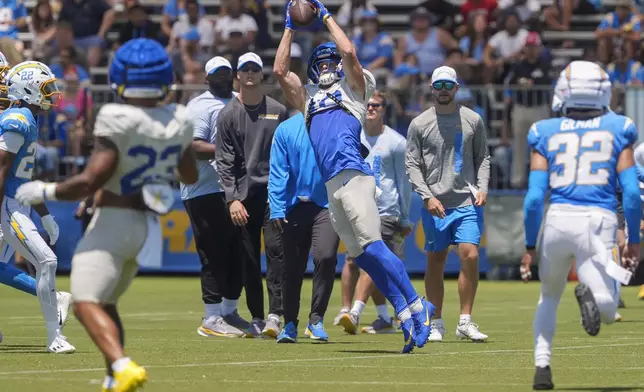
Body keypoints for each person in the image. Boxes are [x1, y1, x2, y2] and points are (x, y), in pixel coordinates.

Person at [14, 38, 198, 391]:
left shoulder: (116, 116)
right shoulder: (178, 117)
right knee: (108, 303)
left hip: (113, 221)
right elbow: (188, 174)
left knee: (84, 303)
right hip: (145, 226)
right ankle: (115, 377)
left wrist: (46, 191)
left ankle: (121, 363)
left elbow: (91, 178)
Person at [273, 0, 434, 354]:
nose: (329, 65)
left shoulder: (355, 89)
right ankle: (406, 315)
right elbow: (281, 71)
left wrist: (326, 15)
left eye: (333, 62)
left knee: (373, 245)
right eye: (322, 62)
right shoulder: (309, 98)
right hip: (331, 184)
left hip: (354, 175)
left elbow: (347, 48)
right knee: (362, 256)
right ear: (315, 70)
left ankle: (417, 306)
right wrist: (289, 25)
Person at [520, 60, 640, 390]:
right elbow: (630, 192)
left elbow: (533, 199)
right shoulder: (619, 127)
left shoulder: (544, 131)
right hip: (598, 222)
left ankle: (542, 368)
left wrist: (530, 246)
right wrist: (634, 236)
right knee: (607, 303)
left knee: (548, 296)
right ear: (603, 91)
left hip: (558, 220)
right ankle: (593, 294)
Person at [405, 66, 490, 343]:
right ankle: (436, 321)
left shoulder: (473, 120)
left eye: (448, 85)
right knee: (436, 260)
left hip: (466, 200)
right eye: (438, 85)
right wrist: (426, 196)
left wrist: (483, 187)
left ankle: (465, 320)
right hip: (435, 203)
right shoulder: (419, 124)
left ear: (456, 88)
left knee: (470, 255)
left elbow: (483, 158)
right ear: (432, 88)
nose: (443, 90)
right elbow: (412, 164)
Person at [0, 60, 75, 354]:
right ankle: (54, 336)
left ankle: (54, 335)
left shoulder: (26, 118)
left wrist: (45, 215)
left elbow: (22, 177)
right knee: (47, 261)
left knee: (46, 262)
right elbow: (3, 172)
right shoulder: (18, 119)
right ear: (29, 89)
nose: (52, 94)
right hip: (10, 206)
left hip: (17, 204)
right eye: (46, 88)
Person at [215, 52, 287, 338]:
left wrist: (284, 192)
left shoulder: (278, 111)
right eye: (244, 69)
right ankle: (257, 316)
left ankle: (276, 314)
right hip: (243, 199)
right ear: (237, 76)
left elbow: (286, 155)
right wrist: (232, 198)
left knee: (276, 253)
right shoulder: (229, 114)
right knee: (248, 259)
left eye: (254, 69)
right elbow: (224, 160)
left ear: (261, 75)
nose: (249, 73)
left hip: (273, 194)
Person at [335, 90, 412, 335]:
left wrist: (405, 216)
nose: (370, 109)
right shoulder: (352, 137)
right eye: (367, 105)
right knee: (353, 260)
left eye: (376, 105)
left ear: (384, 110)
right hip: (357, 206)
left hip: (386, 210)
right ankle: (379, 316)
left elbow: (404, 181)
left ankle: (355, 311)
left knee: (372, 259)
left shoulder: (396, 142)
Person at [181, 56, 248, 338]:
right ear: (207, 78)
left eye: (226, 73)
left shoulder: (240, 99)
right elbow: (194, 145)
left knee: (239, 252)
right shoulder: (199, 106)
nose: (223, 77)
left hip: (232, 188)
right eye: (217, 74)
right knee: (212, 253)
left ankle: (229, 311)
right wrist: (231, 151)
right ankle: (211, 317)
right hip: (203, 189)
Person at [269, 112, 339, 343]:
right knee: (291, 267)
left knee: (326, 257)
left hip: (327, 204)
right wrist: (277, 208)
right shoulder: (286, 128)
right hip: (293, 206)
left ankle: (316, 320)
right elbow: (278, 170)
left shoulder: (334, 122)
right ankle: (289, 324)